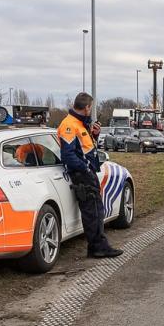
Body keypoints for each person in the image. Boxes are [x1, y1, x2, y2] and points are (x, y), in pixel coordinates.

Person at [58, 93, 123, 259]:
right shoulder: (69, 125)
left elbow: (85, 149)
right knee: (92, 212)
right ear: (87, 107)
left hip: (88, 173)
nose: (90, 111)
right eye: (90, 108)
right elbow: (68, 155)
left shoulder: (80, 124)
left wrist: (94, 135)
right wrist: (85, 169)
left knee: (96, 210)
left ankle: (98, 245)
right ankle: (97, 247)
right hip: (82, 175)